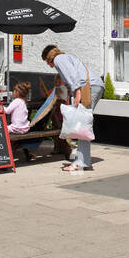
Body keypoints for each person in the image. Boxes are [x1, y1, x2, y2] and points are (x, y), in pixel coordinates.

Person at [42, 44, 93, 173]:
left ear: (49, 57)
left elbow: (73, 76)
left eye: (47, 61)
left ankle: (82, 162)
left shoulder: (59, 59)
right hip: (91, 84)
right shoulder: (65, 58)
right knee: (83, 125)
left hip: (87, 86)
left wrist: (77, 93)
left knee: (82, 125)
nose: (48, 65)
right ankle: (83, 161)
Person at [5, 81, 44, 161]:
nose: (13, 93)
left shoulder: (16, 101)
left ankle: (5, 157)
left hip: (16, 128)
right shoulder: (23, 102)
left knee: (1, 130)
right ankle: (27, 153)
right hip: (25, 128)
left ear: (17, 92)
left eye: (14, 91)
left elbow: (7, 111)